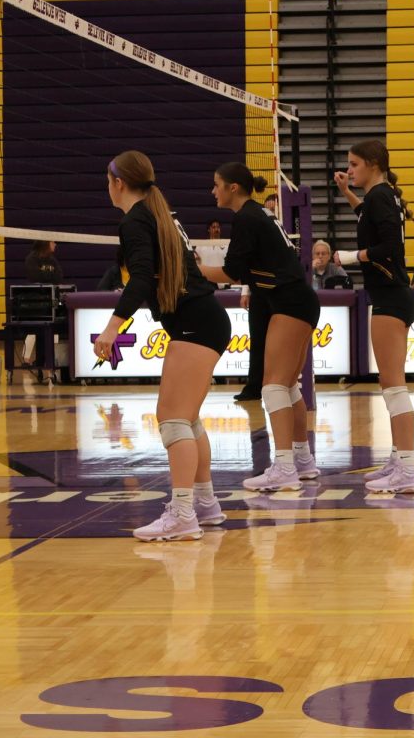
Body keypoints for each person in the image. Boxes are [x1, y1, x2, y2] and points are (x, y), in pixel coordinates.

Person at [94, 150, 232, 541]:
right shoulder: (159, 212)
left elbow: (139, 281)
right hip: (203, 318)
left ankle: (183, 513)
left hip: (195, 322)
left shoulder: (135, 219)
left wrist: (111, 329)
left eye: (108, 181)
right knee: (186, 419)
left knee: (172, 419)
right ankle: (204, 504)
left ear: (119, 183)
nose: (108, 187)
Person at [202, 163, 322, 490]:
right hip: (297, 299)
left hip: (290, 301)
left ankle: (284, 468)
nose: (213, 191)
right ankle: (302, 460)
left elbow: (232, 273)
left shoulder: (246, 217)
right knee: (288, 386)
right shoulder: (258, 214)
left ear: (233, 188)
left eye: (217, 185)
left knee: (272, 386)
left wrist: (194, 270)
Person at [333, 139, 414, 494]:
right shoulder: (380, 197)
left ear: (372, 164)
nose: (349, 170)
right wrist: (346, 193)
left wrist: (351, 256)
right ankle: (400, 460)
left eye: (353, 165)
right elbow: (368, 217)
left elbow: (389, 248)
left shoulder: (382, 196)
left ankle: (409, 470)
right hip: (392, 295)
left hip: (390, 296)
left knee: (394, 386)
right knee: (389, 385)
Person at [234, 194, 281, 401]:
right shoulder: (255, 219)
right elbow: (249, 258)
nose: (271, 206)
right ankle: (254, 386)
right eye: (269, 203)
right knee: (258, 339)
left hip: (279, 289)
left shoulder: (274, 222)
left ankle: (278, 383)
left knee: (278, 342)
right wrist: (246, 290)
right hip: (259, 289)